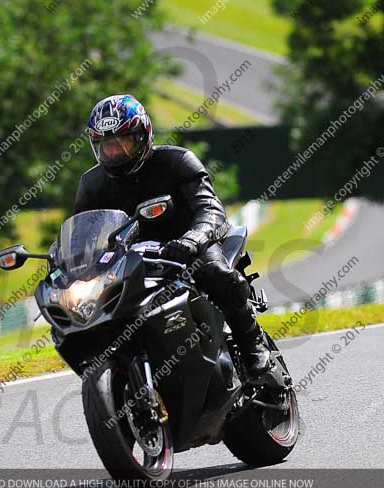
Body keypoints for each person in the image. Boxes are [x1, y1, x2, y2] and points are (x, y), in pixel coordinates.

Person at [74, 94, 273, 382]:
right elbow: (83, 235)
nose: (115, 153)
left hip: (187, 248)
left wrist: (193, 240)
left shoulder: (177, 161)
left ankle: (252, 342)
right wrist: (71, 268)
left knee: (216, 272)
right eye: (106, 146)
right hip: (129, 263)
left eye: (122, 143)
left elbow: (211, 210)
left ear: (143, 137)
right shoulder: (91, 184)